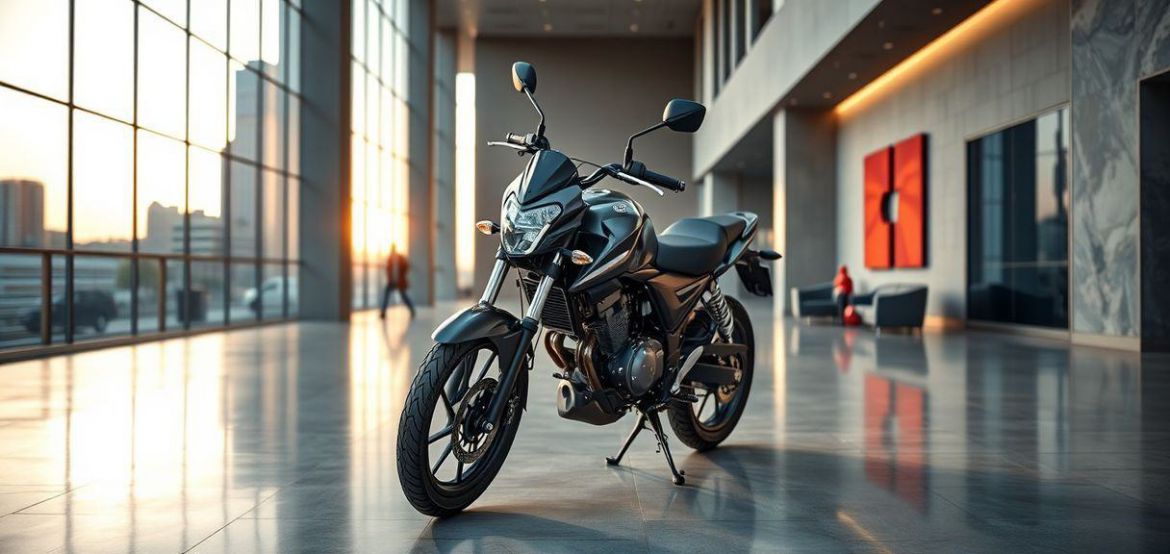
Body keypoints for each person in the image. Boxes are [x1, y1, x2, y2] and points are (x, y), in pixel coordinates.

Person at [380, 245, 415, 319]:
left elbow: (406, 266)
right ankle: (383, 312)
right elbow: (388, 270)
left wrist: (402, 275)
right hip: (392, 281)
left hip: (400, 281)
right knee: (386, 295)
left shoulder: (400, 257)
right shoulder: (390, 258)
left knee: (404, 296)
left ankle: (412, 309)